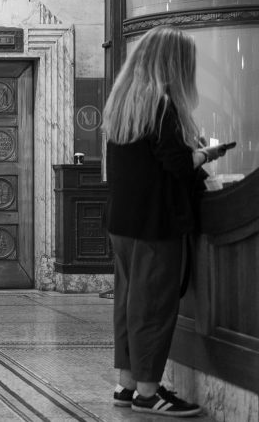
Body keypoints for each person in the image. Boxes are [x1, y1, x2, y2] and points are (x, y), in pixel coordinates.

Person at [102, 26, 232, 417]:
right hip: (155, 223)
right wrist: (208, 153)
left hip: (122, 221)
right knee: (154, 307)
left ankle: (127, 385)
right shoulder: (161, 104)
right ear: (173, 64)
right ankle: (147, 393)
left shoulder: (123, 101)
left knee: (128, 303)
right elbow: (175, 164)